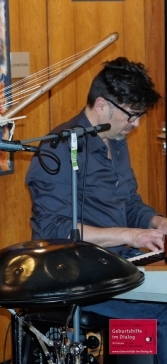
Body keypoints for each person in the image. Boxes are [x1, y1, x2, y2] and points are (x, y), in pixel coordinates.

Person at [25, 57, 167, 363]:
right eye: (132, 115)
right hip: (78, 274)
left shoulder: (116, 140)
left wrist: (157, 222)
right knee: (159, 311)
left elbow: (129, 203)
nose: (136, 124)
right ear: (102, 105)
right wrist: (130, 235)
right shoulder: (58, 148)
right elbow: (54, 229)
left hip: (119, 263)